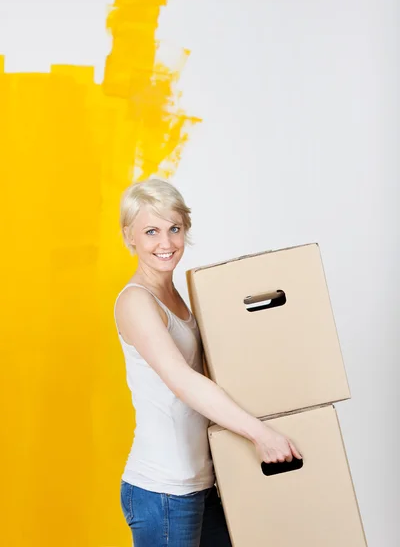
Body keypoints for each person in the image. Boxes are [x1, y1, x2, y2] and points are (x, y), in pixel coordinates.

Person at [114, 178, 302, 547]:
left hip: (202, 481)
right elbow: (182, 381)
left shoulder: (176, 295)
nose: (165, 243)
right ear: (129, 236)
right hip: (163, 490)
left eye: (174, 229)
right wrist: (260, 433)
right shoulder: (136, 301)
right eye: (151, 231)